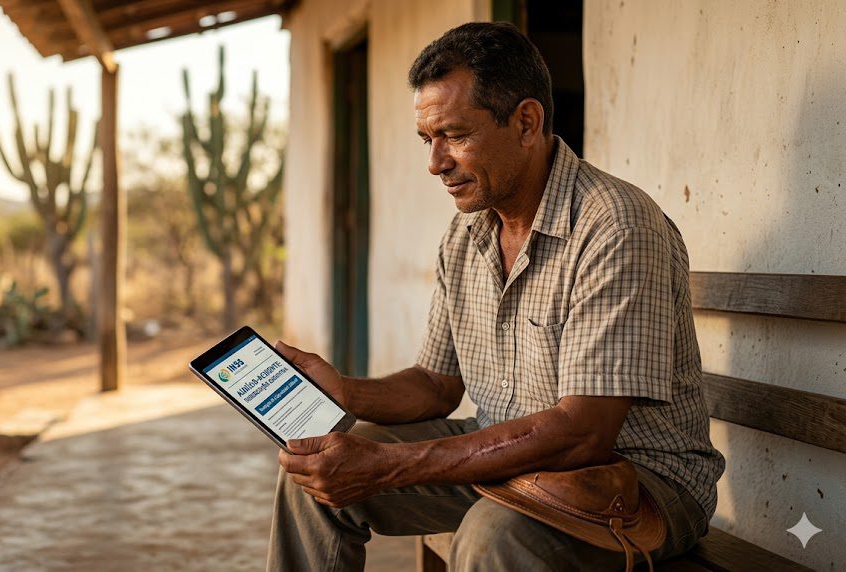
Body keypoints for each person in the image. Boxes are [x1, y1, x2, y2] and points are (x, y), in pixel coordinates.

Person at [266, 21, 725, 571]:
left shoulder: (615, 227)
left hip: (638, 480)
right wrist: (345, 392)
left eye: (455, 135)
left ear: (526, 122)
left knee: (495, 534)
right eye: (427, 140)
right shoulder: (468, 233)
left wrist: (391, 465)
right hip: (506, 453)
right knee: (312, 473)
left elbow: (582, 434)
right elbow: (436, 386)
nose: (435, 163)